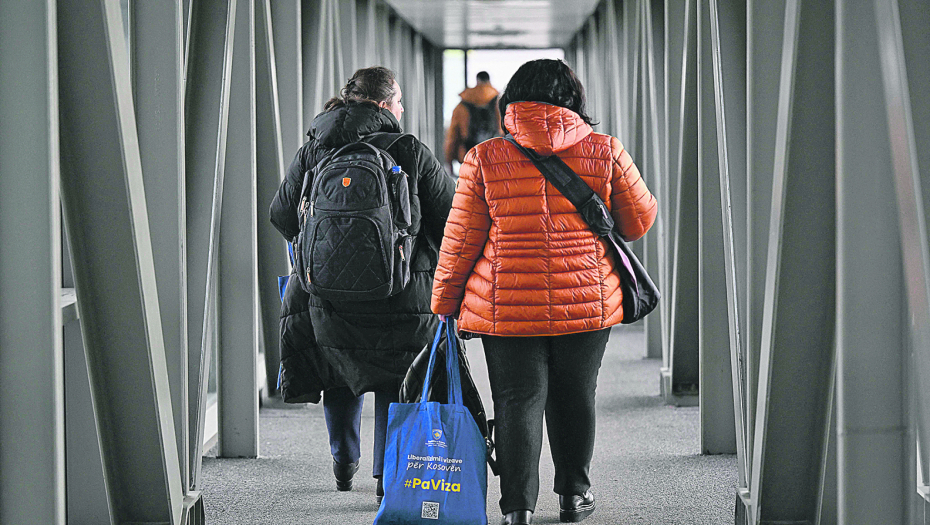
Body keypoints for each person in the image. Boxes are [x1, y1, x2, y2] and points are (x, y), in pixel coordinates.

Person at [431, 59, 657, 525]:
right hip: (586, 301)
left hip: (506, 304)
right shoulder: (606, 150)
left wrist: (444, 304)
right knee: (576, 395)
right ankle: (574, 495)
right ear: (573, 99)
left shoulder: (484, 158)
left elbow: (461, 241)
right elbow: (637, 223)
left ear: (511, 101)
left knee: (516, 400)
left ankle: (517, 508)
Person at [270, 66, 454, 503]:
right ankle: (386, 475)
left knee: (338, 371)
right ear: (385, 104)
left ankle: (343, 461)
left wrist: (328, 248)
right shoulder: (409, 150)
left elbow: (281, 215)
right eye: (400, 101)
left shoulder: (314, 148)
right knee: (395, 378)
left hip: (325, 293)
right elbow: (451, 217)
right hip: (401, 292)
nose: (402, 109)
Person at [443, 71, 502, 174]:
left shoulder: (462, 106)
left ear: (477, 81)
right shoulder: (499, 104)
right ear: (489, 81)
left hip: (469, 156)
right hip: (495, 156)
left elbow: (453, 135)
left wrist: (449, 160)